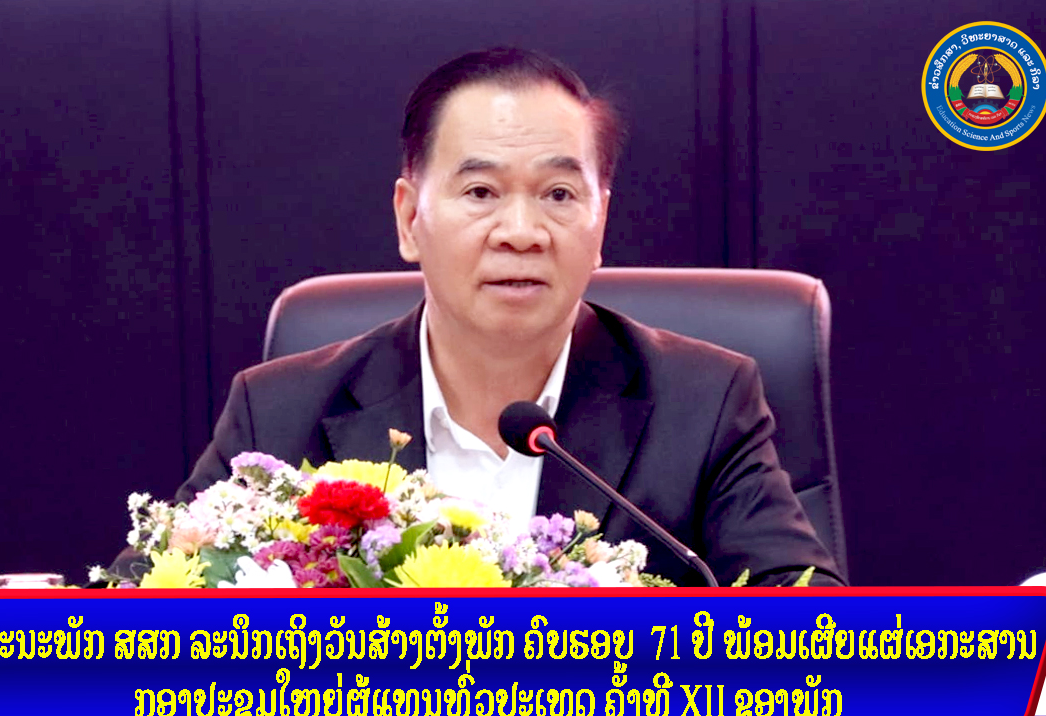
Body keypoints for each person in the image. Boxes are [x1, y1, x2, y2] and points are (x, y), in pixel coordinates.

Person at [176, 48, 844, 587]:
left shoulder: (704, 404)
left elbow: (812, 633)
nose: (521, 232)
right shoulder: (280, 411)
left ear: (600, 221)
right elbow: (142, 621)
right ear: (410, 219)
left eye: (559, 193)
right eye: (480, 191)